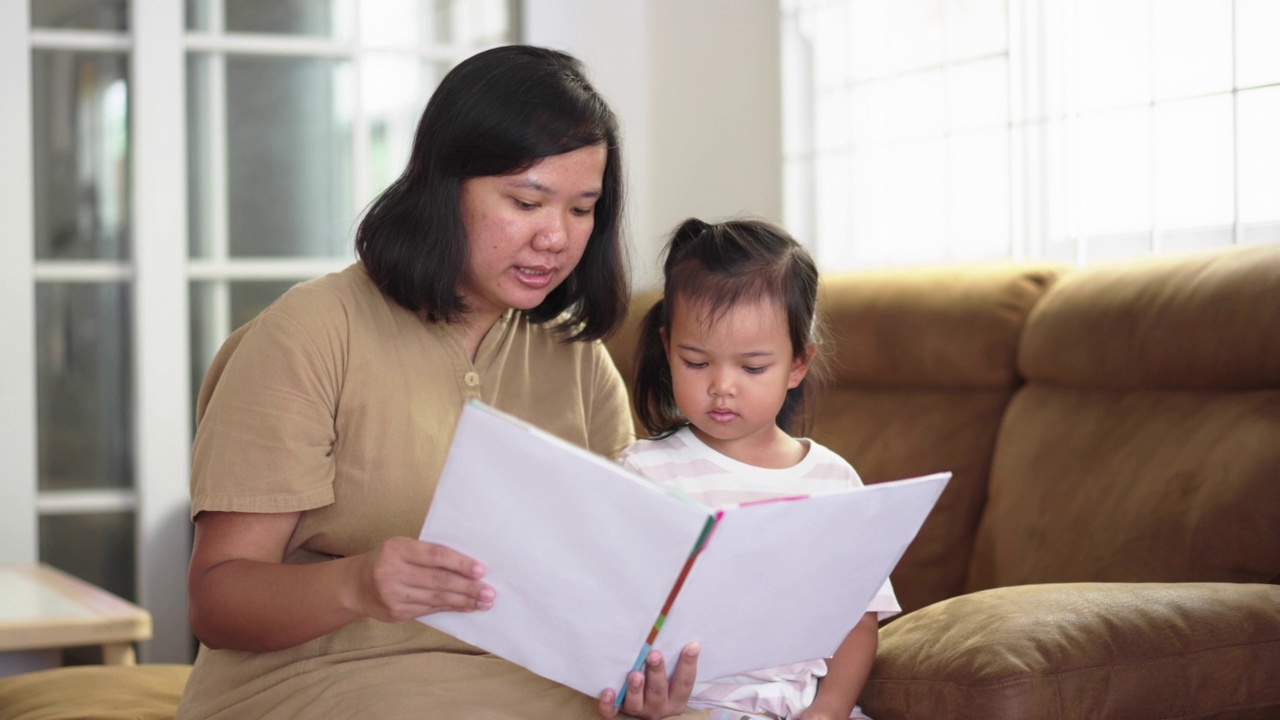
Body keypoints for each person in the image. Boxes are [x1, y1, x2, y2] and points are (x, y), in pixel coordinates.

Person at [177, 45, 701, 720]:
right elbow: (217, 599)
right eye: (527, 201)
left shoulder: (578, 360)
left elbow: (607, 587)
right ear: (442, 186)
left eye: (581, 209)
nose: (556, 237)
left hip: (538, 689)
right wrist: (358, 585)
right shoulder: (310, 333)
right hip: (332, 687)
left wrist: (640, 678)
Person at [619, 218, 900, 720]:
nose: (722, 386)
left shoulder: (834, 483)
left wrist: (831, 707)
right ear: (667, 349)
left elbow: (859, 620)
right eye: (696, 362)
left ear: (797, 363)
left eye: (751, 368)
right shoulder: (642, 472)